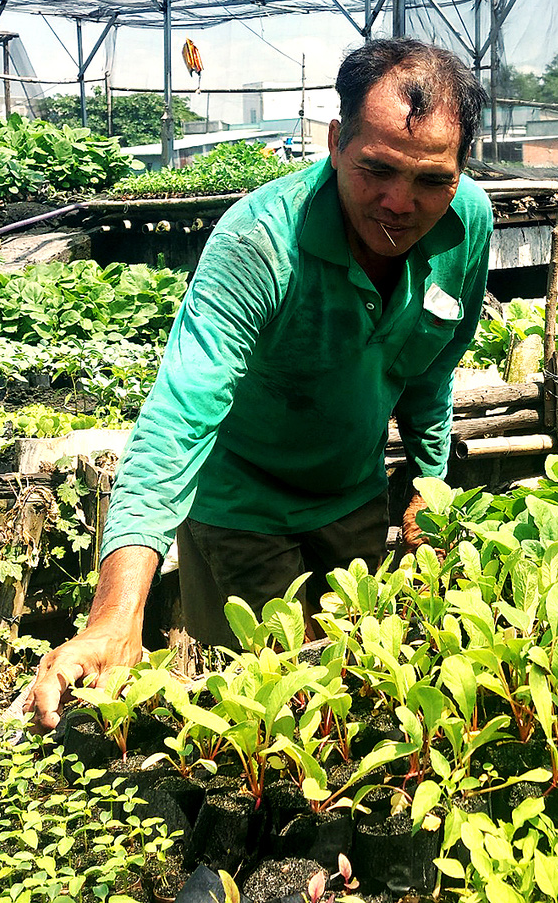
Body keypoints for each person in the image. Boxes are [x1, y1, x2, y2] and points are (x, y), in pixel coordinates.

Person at [29, 38, 490, 727]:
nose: (401, 203)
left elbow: (430, 361)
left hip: (351, 491)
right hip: (240, 501)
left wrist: (428, 486)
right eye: (377, 170)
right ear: (336, 143)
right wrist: (115, 615)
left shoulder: (466, 223)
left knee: (354, 683)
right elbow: (179, 417)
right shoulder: (259, 242)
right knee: (266, 706)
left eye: (431, 180)